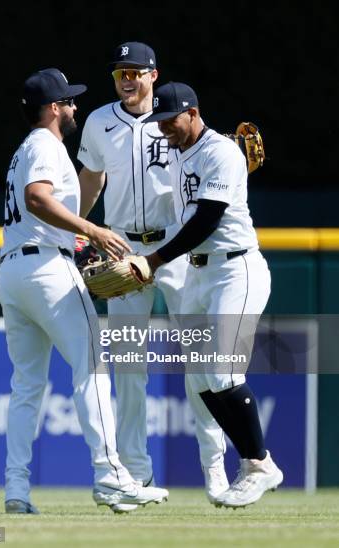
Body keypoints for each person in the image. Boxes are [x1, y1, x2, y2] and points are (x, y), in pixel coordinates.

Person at [0, 67, 169, 514]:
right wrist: (90, 229)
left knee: (26, 386)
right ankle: (111, 476)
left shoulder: (23, 149)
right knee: (92, 367)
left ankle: (16, 489)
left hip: (14, 271)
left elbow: (36, 209)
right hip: (47, 272)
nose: (75, 107)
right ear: (53, 109)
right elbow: (37, 197)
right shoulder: (45, 146)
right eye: (68, 101)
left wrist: (73, 235)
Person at [78, 43, 228, 512]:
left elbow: (208, 158)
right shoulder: (99, 121)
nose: (126, 78)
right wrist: (80, 233)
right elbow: (91, 178)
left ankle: (216, 471)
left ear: (153, 74)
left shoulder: (174, 117)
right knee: (127, 367)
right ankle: (135, 475)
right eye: (120, 72)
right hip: (121, 246)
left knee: (202, 362)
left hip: (176, 248)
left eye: (135, 71)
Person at [144, 81, 283, 508]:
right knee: (203, 379)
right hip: (201, 274)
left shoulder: (221, 152)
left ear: (192, 112)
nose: (164, 127)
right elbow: (185, 219)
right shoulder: (181, 154)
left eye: (170, 120)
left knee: (222, 372)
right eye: (159, 121)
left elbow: (206, 220)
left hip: (235, 269)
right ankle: (255, 463)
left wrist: (154, 261)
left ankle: (259, 465)